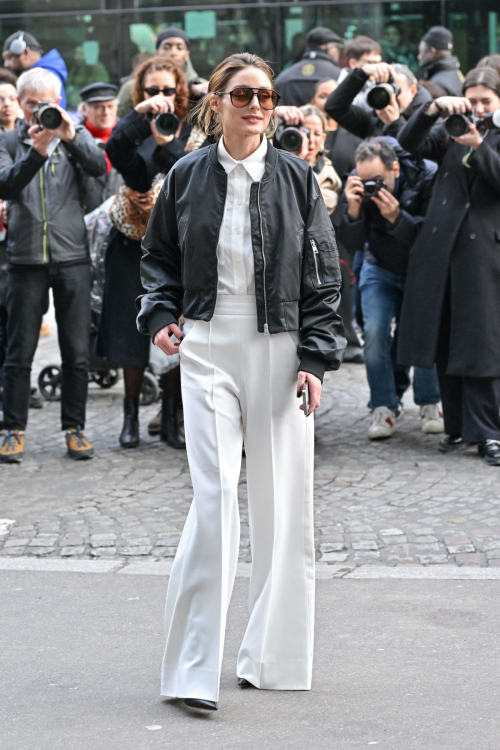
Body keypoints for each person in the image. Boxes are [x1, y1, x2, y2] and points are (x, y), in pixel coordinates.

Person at [137, 52, 346, 711]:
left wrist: (315, 359)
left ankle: (273, 659)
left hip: (281, 349)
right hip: (206, 347)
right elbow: (158, 259)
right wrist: (162, 316)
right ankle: (190, 671)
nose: (257, 104)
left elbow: (323, 275)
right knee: (215, 498)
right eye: (243, 94)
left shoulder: (298, 177)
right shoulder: (186, 176)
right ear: (216, 102)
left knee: (284, 509)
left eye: (266, 95)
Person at [0, 68, 107, 463]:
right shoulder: (8, 140)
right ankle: (13, 428)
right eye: (32, 104)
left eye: (48, 103)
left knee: (76, 351)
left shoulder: (72, 136)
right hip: (25, 260)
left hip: (72, 258)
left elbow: (99, 168)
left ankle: (74, 428)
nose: (39, 111)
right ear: (21, 105)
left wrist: (69, 134)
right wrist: (37, 150)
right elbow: (6, 184)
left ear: (59, 103)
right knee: (19, 351)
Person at [397, 67, 500, 465]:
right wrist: (433, 108)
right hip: (441, 252)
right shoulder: (452, 128)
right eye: (471, 101)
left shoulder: (483, 136)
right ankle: (456, 427)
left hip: (484, 256)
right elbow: (406, 143)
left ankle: (489, 433)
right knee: (445, 341)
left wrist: (479, 145)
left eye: (485, 103)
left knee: (482, 346)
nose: (477, 109)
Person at [100, 56, 192, 449]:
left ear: (180, 91)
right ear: (140, 93)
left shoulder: (188, 129)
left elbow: (188, 173)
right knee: (129, 336)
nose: (161, 98)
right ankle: (130, 417)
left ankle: (172, 418)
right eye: (152, 91)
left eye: (167, 91)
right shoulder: (134, 126)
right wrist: (140, 117)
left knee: (174, 329)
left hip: (174, 247)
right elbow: (117, 154)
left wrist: (166, 144)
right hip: (130, 245)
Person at [340, 137, 443, 439]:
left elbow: (432, 237)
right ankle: (383, 406)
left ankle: (430, 402)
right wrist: (354, 211)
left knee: (424, 333)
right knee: (373, 334)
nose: (372, 187)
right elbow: (353, 245)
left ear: (395, 168)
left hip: (419, 267)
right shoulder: (358, 183)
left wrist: (398, 218)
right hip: (378, 265)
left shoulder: (426, 175)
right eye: (365, 180)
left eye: (378, 181)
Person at [325, 61, 431, 140]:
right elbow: (335, 107)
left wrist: (394, 124)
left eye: (396, 90)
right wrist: (361, 73)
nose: (391, 97)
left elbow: (418, 158)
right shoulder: (374, 120)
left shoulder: (429, 120)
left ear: (413, 91)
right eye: (385, 90)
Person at [117, 27, 204, 119]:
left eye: (179, 48)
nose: (173, 52)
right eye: (167, 47)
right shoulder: (131, 87)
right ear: (157, 52)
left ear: (187, 55)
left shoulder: (201, 88)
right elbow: (117, 123)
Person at [79, 82, 122, 214]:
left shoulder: (129, 136)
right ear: (84, 110)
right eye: (98, 107)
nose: (106, 112)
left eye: (110, 106)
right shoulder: (74, 139)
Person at [274, 26, 343, 106]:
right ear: (329, 48)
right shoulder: (341, 75)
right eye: (338, 48)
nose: (339, 52)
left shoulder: (283, 77)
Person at [2, 30, 68, 108]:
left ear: (25, 53)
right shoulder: (50, 72)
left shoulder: (43, 78)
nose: (6, 64)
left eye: (9, 57)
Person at [418, 26, 463, 97]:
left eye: (421, 52)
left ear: (432, 52)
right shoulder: (457, 73)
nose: (419, 57)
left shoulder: (436, 86)